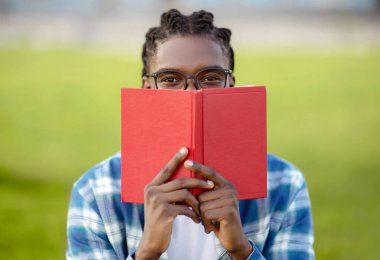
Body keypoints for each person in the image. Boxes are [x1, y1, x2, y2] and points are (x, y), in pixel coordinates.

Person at [66, 9, 314, 260]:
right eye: (171, 79)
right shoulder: (96, 191)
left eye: (211, 77)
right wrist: (148, 252)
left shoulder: (285, 185)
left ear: (231, 86)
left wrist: (241, 250)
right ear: (147, 88)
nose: (191, 93)